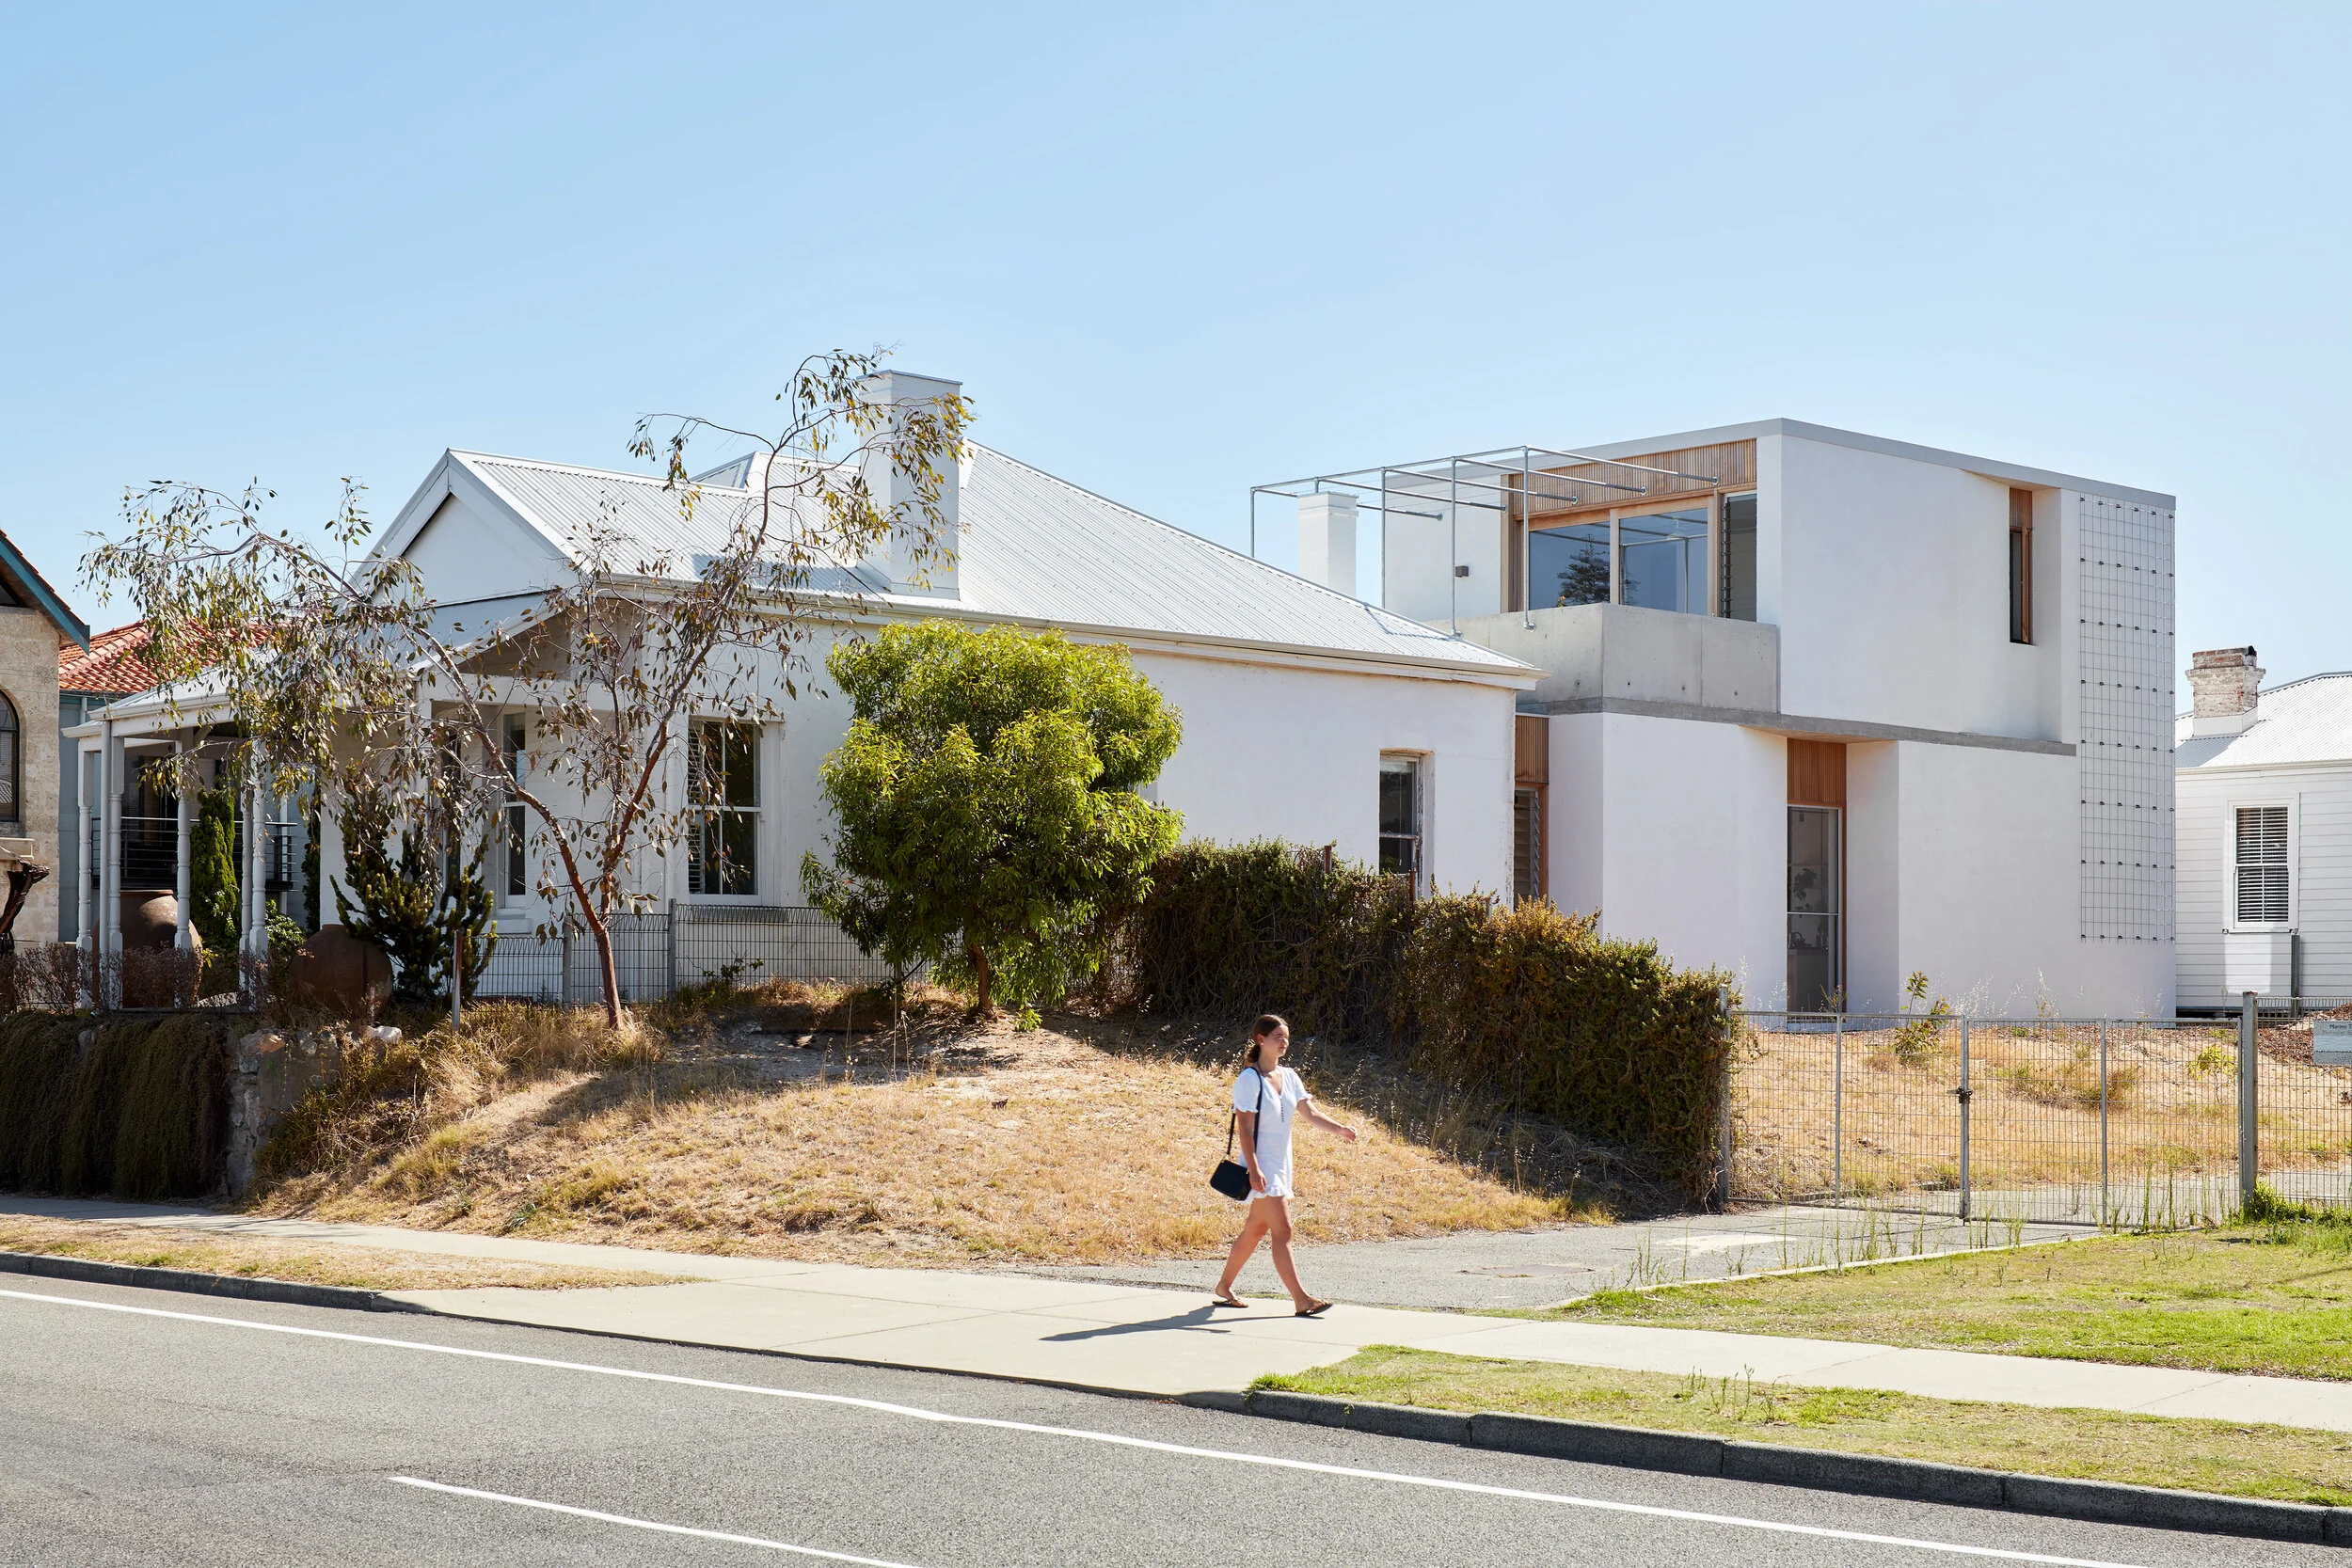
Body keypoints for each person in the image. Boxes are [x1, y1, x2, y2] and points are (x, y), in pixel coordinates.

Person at [1211, 1013, 1359, 1317]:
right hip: (1261, 1165)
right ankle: (1302, 1300)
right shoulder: (1249, 1080)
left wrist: (1339, 1129)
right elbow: (1245, 1130)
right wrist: (1253, 1169)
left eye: (1286, 1038)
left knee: (1255, 1229)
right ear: (1260, 1040)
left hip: (1280, 1163)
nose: (1284, 1043)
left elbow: (1310, 1113)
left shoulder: (1289, 1076)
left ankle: (1224, 1287)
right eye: (1278, 1037)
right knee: (1284, 1229)